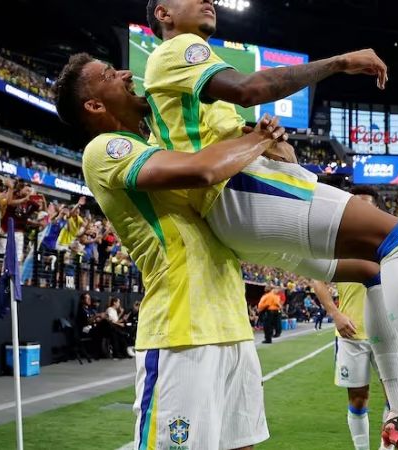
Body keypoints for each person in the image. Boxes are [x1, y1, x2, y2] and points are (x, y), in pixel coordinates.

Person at [144, 2, 398, 447]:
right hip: (236, 193)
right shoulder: (179, 48)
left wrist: (264, 141)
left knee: (374, 271)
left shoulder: (186, 93)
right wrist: (339, 62)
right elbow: (250, 86)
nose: (207, 0)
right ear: (163, 13)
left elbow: (224, 122)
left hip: (236, 211)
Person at [55, 54, 289, 449]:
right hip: (181, 332)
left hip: (231, 324)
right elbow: (202, 170)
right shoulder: (105, 149)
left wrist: (268, 142)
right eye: (110, 75)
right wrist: (256, 139)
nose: (127, 74)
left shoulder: (158, 143)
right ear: (94, 105)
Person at [313, 187, 395, 450]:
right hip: (352, 335)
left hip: (389, 335)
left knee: (395, 398)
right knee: (358, 399)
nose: (362, 210)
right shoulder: (337, 244)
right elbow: (317, 281)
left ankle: (387, 447)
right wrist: (336, 314)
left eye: (367, 205)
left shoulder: (391, 244)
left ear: (376, 209)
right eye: (356, 205)